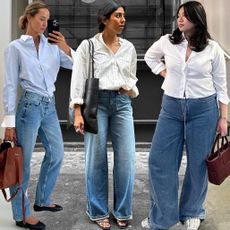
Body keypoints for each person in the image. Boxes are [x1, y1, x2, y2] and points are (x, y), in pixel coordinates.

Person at [141, 1, 229, 230]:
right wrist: (165, 73)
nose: (180, 20)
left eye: (185, 16)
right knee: (159, 161)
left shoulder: (213, 48)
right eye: (178, 15)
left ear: (197, 19)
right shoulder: (167, 43)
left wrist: (223, 118)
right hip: (171, 108)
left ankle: (192, 211)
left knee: (198, 164)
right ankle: (163, 217)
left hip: (204, 110)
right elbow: (150, 58)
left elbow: (221, 85)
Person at [1, 1, 74, 229]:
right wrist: (9, 123)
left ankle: (42, 200)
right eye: (41, 18)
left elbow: (77, 65)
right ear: (29, 18)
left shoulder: (52, 46)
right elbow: (11, 86)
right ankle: (22, 214)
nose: (45, 23)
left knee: (57, 153)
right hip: (29, 107)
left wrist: (65, 47)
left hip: (49, 106)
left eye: (47, 19)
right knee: (23, 163)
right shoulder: (16, 47)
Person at [70, 0, 138, 229]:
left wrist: (129, 89)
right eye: (118, 16)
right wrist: (77, 112)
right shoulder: (88, 46)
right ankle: (98, 211)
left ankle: (123, 210)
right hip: (95, 104)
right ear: (104, 20)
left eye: (124, 16)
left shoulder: (128, 48)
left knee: (126, 159)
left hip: (122, 103)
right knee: (95, 160)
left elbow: (132, 76)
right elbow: (78, 80)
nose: (122, 20)